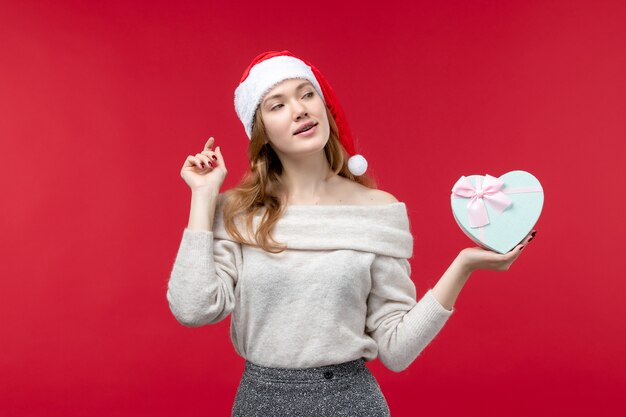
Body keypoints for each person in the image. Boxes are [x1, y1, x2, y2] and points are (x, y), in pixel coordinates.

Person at [166, 50, 536, 417]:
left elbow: (396, 349)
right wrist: (203, 197)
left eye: (306, 94)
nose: (299, 110)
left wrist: (464, 265)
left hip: (350, 403)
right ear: (261, 132)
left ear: (325, 108)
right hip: (260, 403)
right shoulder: (239, 211)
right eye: (277, 105)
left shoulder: (376, 210)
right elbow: (194, 308)